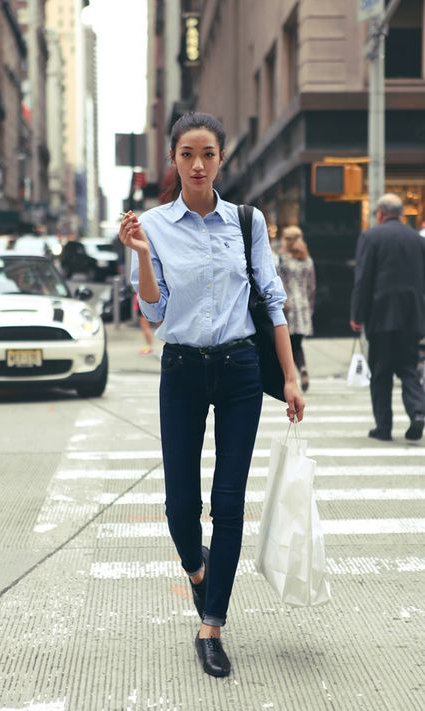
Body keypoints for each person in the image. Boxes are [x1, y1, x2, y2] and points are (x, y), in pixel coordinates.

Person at [119, 111, 304, 678]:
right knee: (180, 507)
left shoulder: (248, 222)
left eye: (208, 154)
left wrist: (291, 375)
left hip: (240, 369)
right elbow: (152, 308)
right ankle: (200, 573)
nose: (197, 165)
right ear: (173, 160)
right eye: (186, 155)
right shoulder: (151, 224)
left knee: (228, 502)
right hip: (181, 369)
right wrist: (145, 256)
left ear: (221, 160)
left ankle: (212, 625)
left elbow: (272, 301)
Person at [350, 193, 425, 441]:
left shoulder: (371, 237)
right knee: (408, 368)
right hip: (412, 316)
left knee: (381, 372)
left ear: (380, 213)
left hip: (380, 315)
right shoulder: (417, 239)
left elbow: (363, 279)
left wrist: (357, 315)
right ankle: (417, 412)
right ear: (401, 213)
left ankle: (384, 427)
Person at [278, 226, 316, 392]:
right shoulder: (307, 260)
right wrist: (310, 307)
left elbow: (279, 283)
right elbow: (312, 288)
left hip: (287, 307)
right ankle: (302, 369)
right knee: (297, 343)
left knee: (288, 344)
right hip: (303, 306)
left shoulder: (283, 260)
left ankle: (291, 375)